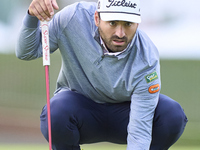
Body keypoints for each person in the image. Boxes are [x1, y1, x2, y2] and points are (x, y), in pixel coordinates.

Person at [16, 0, 188, 149]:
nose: (120, 33)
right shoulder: (73, 18)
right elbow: (27, 52)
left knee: (171, 114)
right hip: (80, 111)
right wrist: (32, 17)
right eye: (113, 23)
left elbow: (140, 132)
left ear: (137, 23)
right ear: (97, 18)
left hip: (126, 116)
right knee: (56, 111)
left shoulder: (147, 59)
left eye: (128, 24)